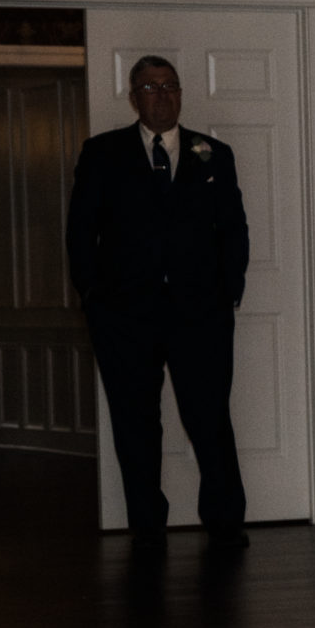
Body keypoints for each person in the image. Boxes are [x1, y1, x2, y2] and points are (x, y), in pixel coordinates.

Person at [65, 54, 249, 547]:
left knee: (209, 417)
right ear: (134, 97)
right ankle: (147, 525)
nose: (162, 95)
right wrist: (92, 297)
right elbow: (81, 231)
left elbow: (233, 229)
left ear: (181, 93)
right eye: (150, 87)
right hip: (125, 316)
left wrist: (229, 290)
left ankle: (226, 522)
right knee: (135, 423)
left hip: (200, 315)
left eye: (170, 86)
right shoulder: (103, 154)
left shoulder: (213, 153)